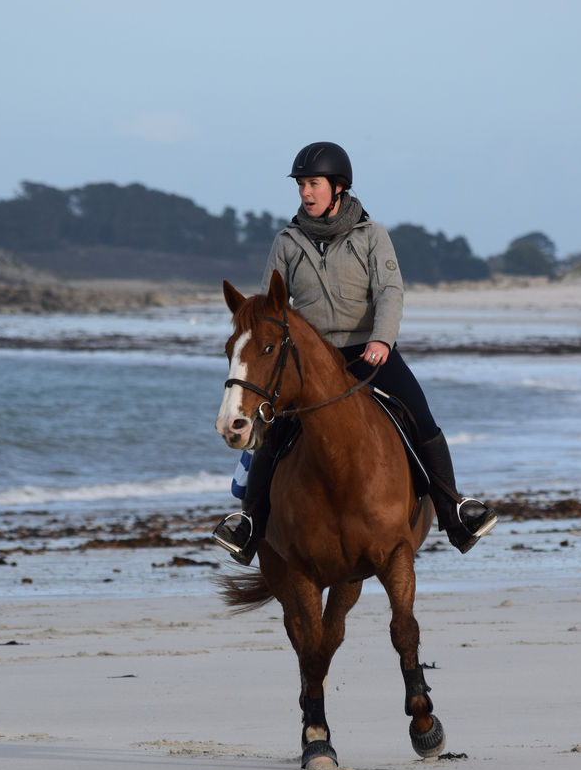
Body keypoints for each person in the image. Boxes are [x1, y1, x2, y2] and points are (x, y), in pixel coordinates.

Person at [212, 141, 497, 565]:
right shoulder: (287, 242)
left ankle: (455, 512)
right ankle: (251, 522)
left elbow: (390, 292)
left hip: (369, 353)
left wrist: (382, 339)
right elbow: (273, 307)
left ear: (338, 188)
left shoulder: (371, 236)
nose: (306, 193)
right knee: (272, 434)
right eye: (302, 185)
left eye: (313, 184)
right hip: (312, 360)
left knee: (421, 419)